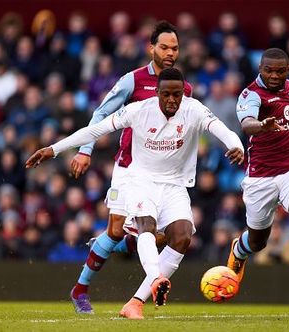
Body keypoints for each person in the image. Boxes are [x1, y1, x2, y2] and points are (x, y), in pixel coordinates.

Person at [26, 68, 244, 319]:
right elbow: (95, 129)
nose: (172, 100)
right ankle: (155, 279)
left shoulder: (193, 108)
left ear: (183, 94)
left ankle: (136, 302)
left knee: (182, 236)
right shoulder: (139, 110)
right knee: (145, 226)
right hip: (140, 181)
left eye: (177, 95)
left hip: (174, 185)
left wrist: (235, 145)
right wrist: (53, 149)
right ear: (157, 94)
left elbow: (221, 128)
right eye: (167, 95)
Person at [66, 21, 192, 315]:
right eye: (164, 47)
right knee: (113, 229)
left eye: (174, 48)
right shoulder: (132, 81)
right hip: (129, 167)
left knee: (162, 234)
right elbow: (101, 112)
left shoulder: (182, 87)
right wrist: (85, 150)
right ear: (151, 48)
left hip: (164, 174)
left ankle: (126, 244)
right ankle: (80, 289)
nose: (170, 52)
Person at [227, 48, 289, 312]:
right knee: (259, 241)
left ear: (287, 70)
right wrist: (261, 126)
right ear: (260, 69)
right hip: (261, 175)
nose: (274, 75)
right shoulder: (251, 95)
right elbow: (247, 123)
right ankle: (239, 250)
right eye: (268, 70)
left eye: (279, 71)